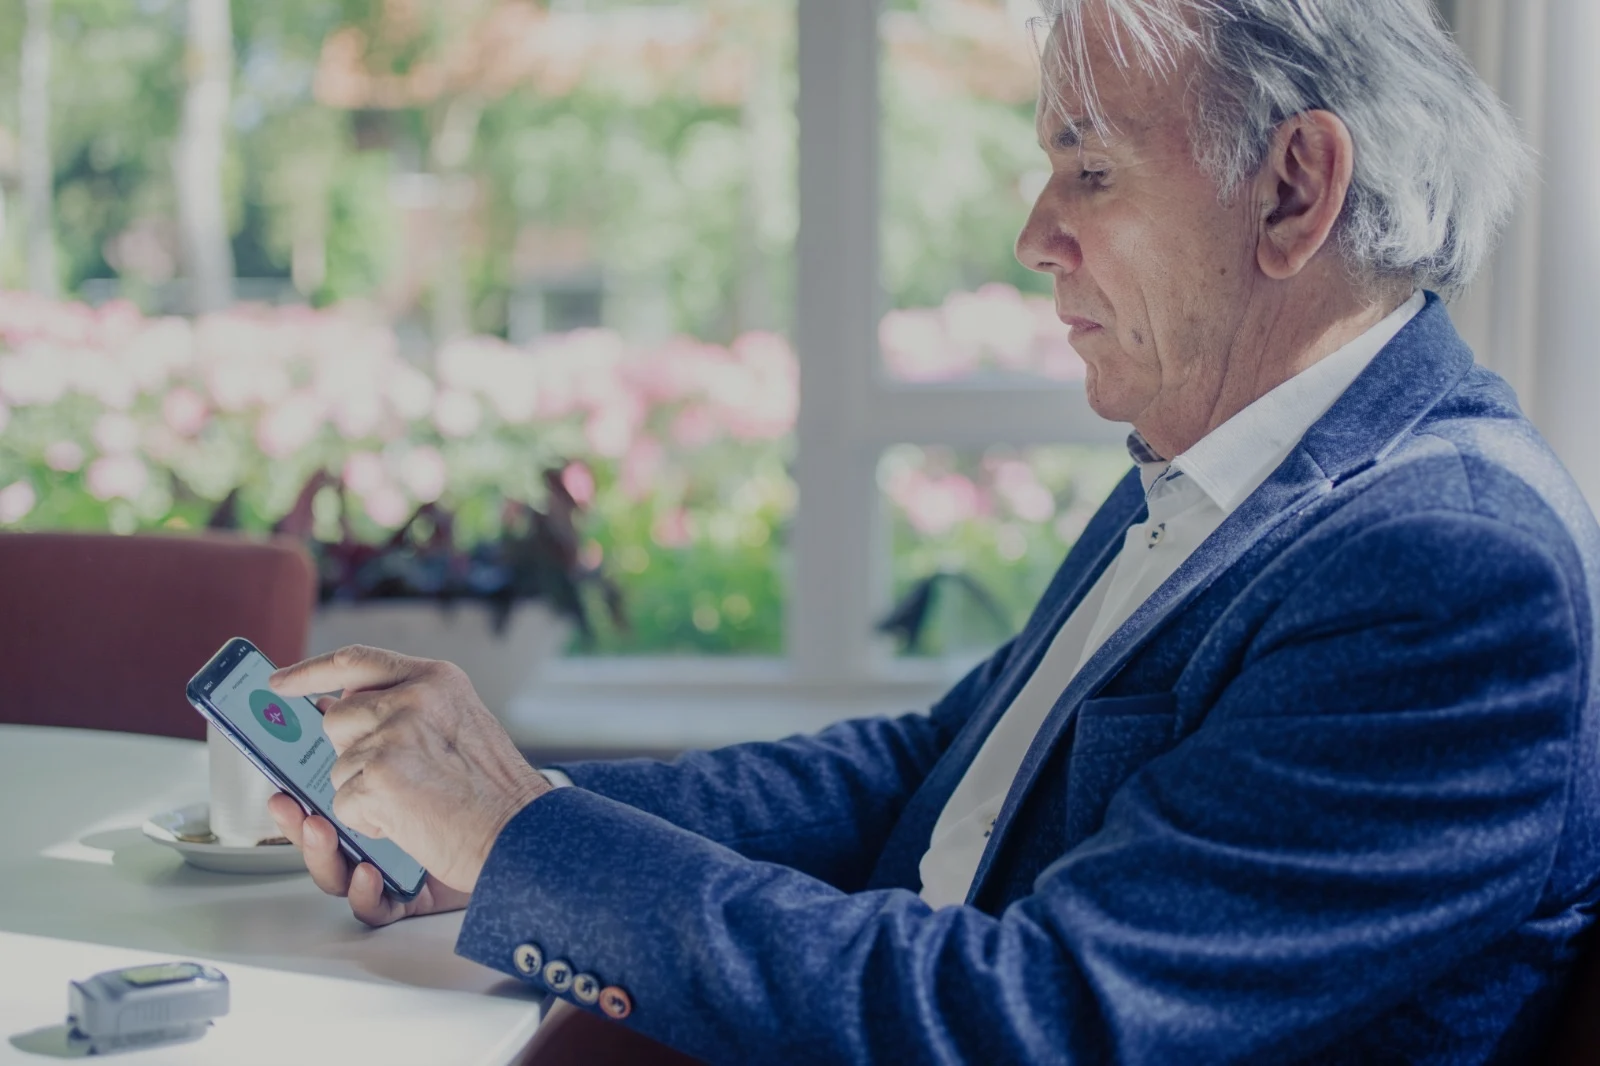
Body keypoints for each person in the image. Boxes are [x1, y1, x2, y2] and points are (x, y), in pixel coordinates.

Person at [268, 1, 1600, 1062]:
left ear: (1295, 191)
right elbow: (933, 775)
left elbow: (1038, 1024)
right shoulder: (1231, 467)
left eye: (1090, 167)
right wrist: (501, 812)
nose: (1034, 234)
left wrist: (515, 838)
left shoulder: (1447, 567)